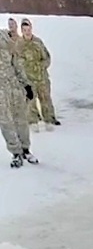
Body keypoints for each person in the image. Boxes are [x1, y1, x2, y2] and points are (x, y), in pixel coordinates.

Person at [0, 29, 38, 168]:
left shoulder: (4, 37)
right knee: (5, 122)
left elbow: (16, 63)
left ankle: (25, 149)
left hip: (14, 85)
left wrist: (26, 85)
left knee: (21, 119)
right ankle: (15, 153)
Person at [15, 18, 60, 128]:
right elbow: (17, 61)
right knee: (31, 101)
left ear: (31, 28)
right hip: (29, 78)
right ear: (21, 30)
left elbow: (47, 57)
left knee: (46, 99)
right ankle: (33, 120)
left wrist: (43, 65)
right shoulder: (19, 45)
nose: (27, 31)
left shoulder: (38, 42)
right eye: (24, 29)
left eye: (28, 28)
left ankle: (49, 118)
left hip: (42, 77)